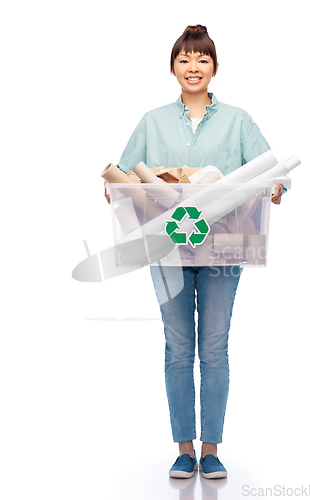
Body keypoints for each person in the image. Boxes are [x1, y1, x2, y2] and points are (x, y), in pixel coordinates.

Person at [105, 25, 284, 479]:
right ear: (172, 68)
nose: (193, 67)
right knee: (178, 349)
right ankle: (184, 449)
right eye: (184, 59)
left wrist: (278, 186)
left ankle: (212, 450)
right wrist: (115, 188)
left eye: (202, 60)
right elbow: (123, 171)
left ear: (215, 67)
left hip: (223, 248)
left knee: (215, 349)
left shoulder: (238, 120)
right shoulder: (152, 121)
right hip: (169, 250)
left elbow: (272, 168)